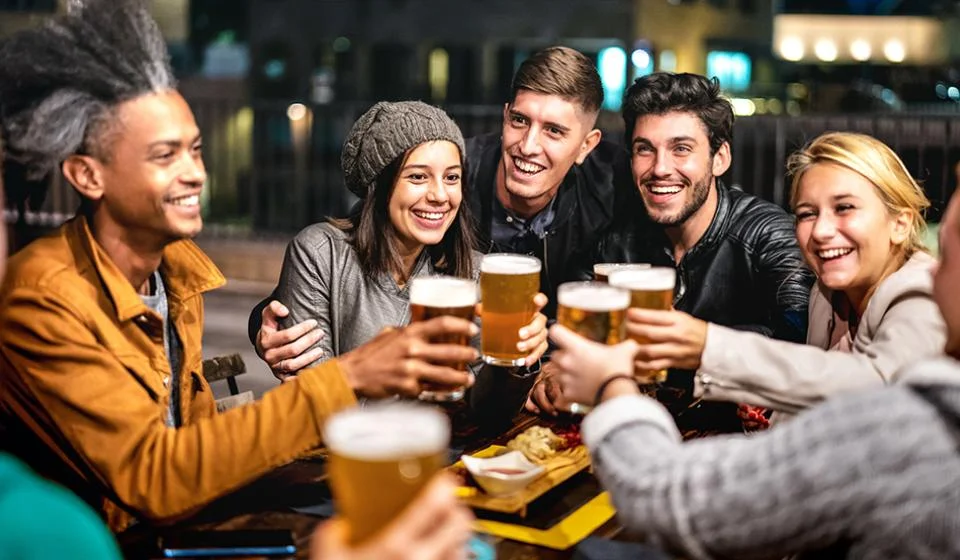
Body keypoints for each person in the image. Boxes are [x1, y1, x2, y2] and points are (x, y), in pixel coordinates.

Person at [0, 0, 477, 532]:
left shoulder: (174, 273)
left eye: (196, 150)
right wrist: (349, 376)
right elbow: (152, 477)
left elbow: (198, 442)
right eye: (165, 156)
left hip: (193, 523)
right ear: (88, 176)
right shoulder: (43, 295)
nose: (195, 174)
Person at [545, 184, 960, 559]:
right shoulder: (828, 295)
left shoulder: (916, 423)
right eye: (806, 213)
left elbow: (667, 498)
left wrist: (613, 383)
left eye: (945, 254)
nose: (932, 269)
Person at [250, 45, 634, 376]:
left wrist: (546, 364)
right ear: (505, 116)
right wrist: (266, 325)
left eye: (554, 131)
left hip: (552, 374)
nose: (529, 146)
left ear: (587, 146)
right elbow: (356, 237)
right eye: (520, 121)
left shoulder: (612, 191)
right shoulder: (453, 171)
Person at [528, 72, 815, 433]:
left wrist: (689, 345)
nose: (660, 168)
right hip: (638, 436)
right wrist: (553, 368)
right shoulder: (617, 241)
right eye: (644, 149)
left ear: (720, 157)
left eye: (681, 148)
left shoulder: (766, 233)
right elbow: (563, 330)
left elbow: (800, 335)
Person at [620, 131, 944, 417]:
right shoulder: (826, 294)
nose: (821, 231)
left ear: (900, 224)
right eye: (807, 214)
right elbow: (818, 398)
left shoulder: (924, 294)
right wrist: (771, 417)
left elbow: (879, 390)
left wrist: (708, 345)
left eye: (844, 208)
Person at [270, 100, 548, 423]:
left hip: (439, 450)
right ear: (380, 185)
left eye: (452, 177)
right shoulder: (320, 253)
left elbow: (486, 414)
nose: (440, 195)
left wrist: (515, 360)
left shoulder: (474, 272)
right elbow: (315, 405)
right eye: (418, 177)